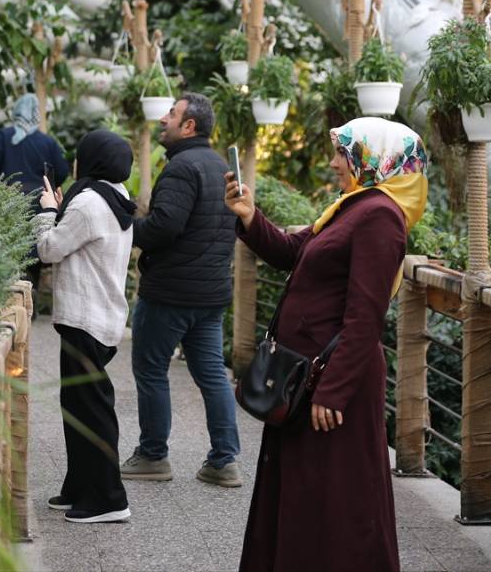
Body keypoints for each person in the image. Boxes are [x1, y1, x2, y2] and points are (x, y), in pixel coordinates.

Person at [226, 117, 428, 572]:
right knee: (305, 492)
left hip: (332, 383)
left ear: (375, 159)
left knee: (337, 500)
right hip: (305, 376)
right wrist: (250, 217)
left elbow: (365, 316)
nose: (335, 163)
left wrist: (333, 390)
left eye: (344, 153)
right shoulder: (354, 206)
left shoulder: (380, 217)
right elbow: (293, 252)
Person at [120, 92, 242, 487]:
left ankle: (153, 456)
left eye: (171, 114)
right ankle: (225, 461)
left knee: (151, 369)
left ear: (189, 126)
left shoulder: (180, 168)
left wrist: (125, 231)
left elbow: (164, 225)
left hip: (170, 293)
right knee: (212, 376)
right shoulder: (221, 166)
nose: (162, 120)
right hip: (210, 295)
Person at [33, 129, 136, 523]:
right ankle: (79, 487)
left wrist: (46, 212)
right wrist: (61, 213)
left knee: (91, 411)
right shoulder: (117, 195)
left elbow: (48, 250)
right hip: (101, 317)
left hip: (85, 319)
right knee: (78, 407)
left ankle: (109, 499)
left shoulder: (89, 202)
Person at [0, 93, 70, 288]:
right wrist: (48, 185)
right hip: (38, 203)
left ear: (16, 111)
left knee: (7, 246)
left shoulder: (4, 136)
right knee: (33, 249)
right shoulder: (47, 142)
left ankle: (9, 295)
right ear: (36, 114)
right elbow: (61, 171)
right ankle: (30, 291)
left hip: (6, 202)